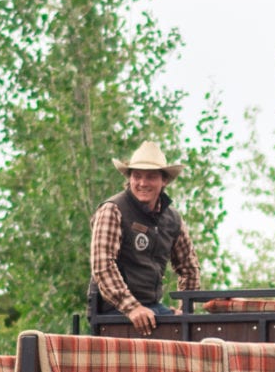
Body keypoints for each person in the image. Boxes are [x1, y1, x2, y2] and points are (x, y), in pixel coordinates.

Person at [87, 140, 203, 334]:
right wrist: (132, 308)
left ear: (163, 181)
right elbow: (103, 266)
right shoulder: (113, 209)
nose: (142, 183)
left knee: (190, 331)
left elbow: (189, 268)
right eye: (137, 176)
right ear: (129, 178)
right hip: (112, 309)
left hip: (151, 306)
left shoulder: (172, 218)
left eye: (150, 177)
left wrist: (186, 309)